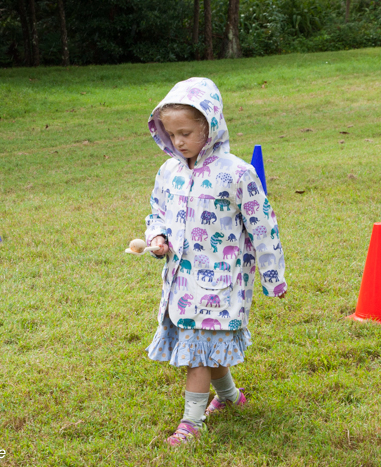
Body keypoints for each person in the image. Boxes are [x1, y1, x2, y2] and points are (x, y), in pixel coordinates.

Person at [143, 77, 287, 446]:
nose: (178, 142)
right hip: (180, 281)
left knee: (197, 353)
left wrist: (273, 277)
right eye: (171, 133)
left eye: (186, 133)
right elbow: (157, 212)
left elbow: (262, 226)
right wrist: (156, 237)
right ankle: (230, 398)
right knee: (205, 345)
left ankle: (191, 423)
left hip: (219, 285)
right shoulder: (169, 173)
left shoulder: (236, 173)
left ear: (210, 125)